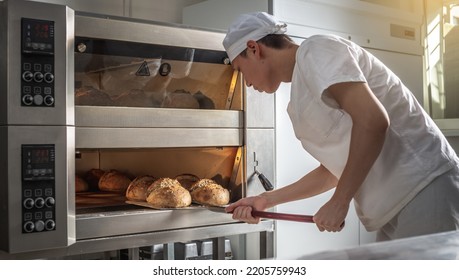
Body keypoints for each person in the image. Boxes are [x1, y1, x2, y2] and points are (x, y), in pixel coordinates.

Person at [222, 12, 459, 241]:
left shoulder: (317, 50)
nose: (247, 82)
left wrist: (339, 201)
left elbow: (373, 121)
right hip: (392, 209)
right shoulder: (299, 96)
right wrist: (266, 199)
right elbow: (335, 170)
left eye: (241, 70)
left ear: (254, 48)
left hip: (424, 188)